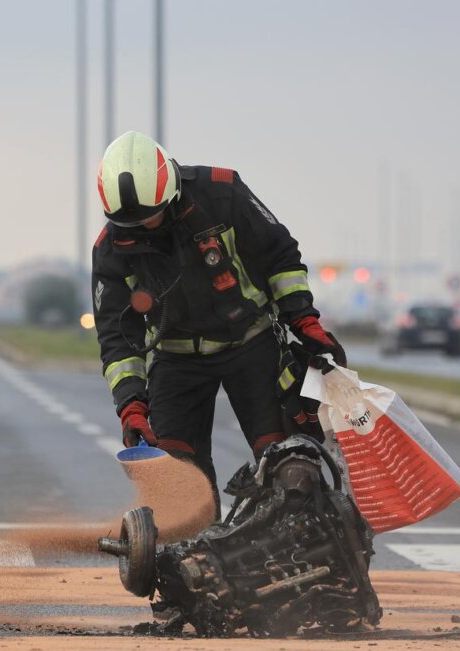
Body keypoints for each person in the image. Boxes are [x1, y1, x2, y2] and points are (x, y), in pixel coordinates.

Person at [91, 130, 345, 513]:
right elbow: (117, 339)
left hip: (252, 344)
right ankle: (192, 561)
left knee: (287, 461)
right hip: (176, 361)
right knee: (176, 479)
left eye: (151, 216)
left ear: (170, 188)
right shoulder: (110, 249)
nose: (146, 228)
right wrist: (132, 406)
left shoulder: (222, 193)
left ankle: (294, 546)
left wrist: (305, 322)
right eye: (133, 223)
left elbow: (281, 257)